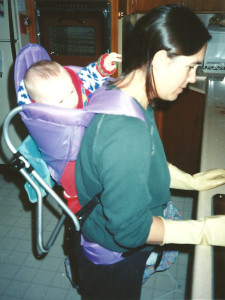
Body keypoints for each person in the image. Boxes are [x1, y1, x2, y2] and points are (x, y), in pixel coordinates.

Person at [70, 4, 225, 300]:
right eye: (191, 66)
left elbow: (146, 162)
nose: (193, 78)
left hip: (119, 246)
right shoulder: (124, 133)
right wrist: (201, 232)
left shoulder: (127, 97)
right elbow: (131, 231)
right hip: (114, 260)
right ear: (160, 60)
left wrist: (189, 181)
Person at [23, 52, 122, 213]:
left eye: (71, 91)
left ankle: (113, 192)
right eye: (61, 100)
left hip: (90, 146)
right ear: (40, 105)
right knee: (71, 178)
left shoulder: (73, 88)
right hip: (64, 157)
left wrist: (103, 66)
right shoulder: (42, 118)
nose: (70, 100)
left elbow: (88, 78)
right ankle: (77, 206)